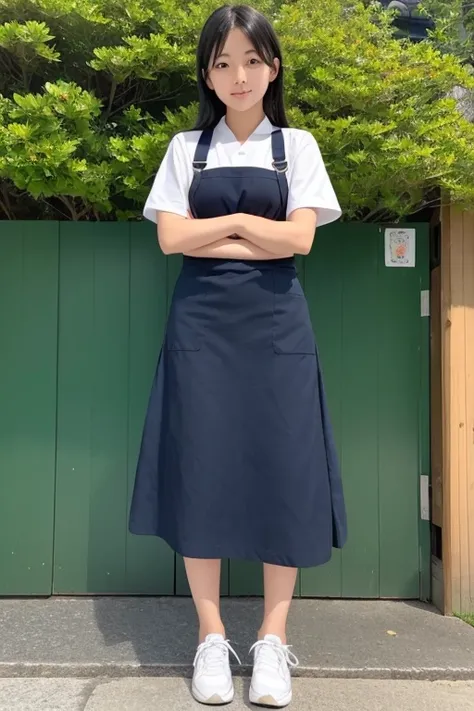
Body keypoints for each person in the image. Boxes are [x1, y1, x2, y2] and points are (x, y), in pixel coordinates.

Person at [129, 4, 347, 707]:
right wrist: (257, 227)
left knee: (284, 467)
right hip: (202, 332)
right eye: (222, 63)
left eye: (252, 60)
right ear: (208, 74)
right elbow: (169, 240)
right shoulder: (185, 149)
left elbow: (302, 241)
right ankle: (210, 636)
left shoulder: (299, 147)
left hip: (279, 332)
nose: (239, 74)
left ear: (273, 66)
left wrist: (211, 228)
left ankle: (274, 639)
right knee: (202, 469)